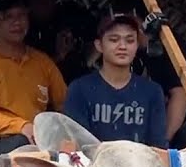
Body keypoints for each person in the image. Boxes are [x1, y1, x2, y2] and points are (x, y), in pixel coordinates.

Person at [0, 0, 68, 162]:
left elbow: (64, 105)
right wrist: (22, 126)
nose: (17, 22)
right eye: (8, 16)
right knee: (25, 145)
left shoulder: (42, 62)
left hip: (36, 138)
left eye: (21, 15)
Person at [107, 0, 186, 148]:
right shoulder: (123, 50)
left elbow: (180, 96)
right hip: (135, 127)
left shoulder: (170, 47)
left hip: (171, 132)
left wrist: (161, 144)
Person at [63, 13, 168, 148]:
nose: (122, 46)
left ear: (137, 45)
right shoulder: (79, 89)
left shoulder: (152, 92)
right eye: (114, 40)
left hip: (139, 160)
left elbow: (158, 146)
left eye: (130, 41)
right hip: (93, 160)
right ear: (99, 45)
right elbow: (76, 145)